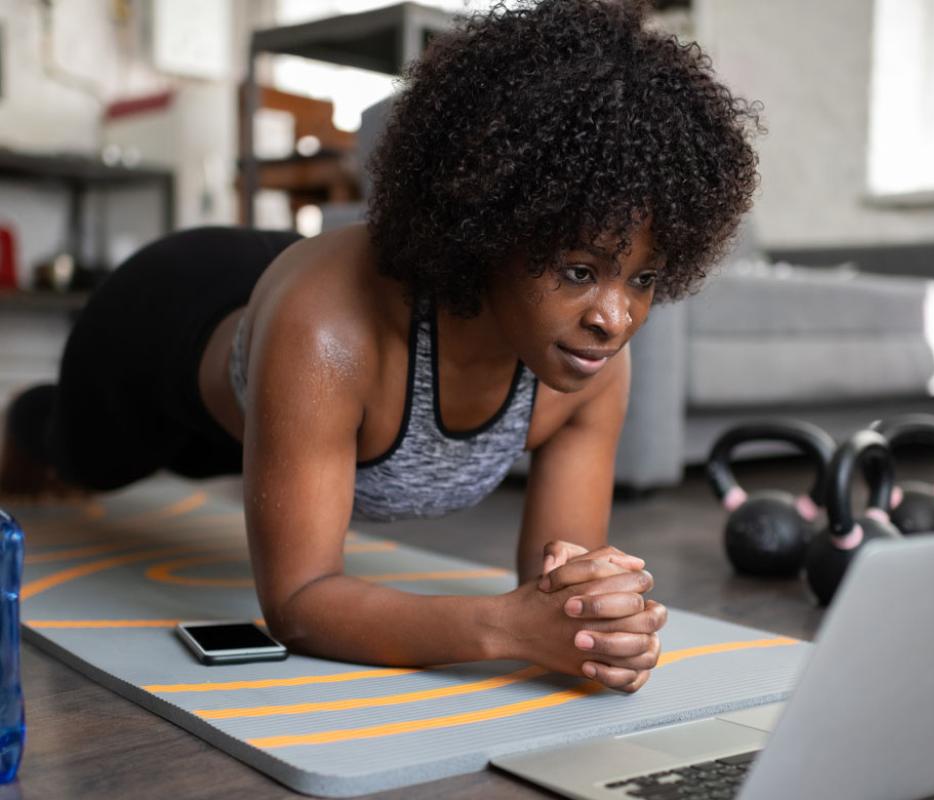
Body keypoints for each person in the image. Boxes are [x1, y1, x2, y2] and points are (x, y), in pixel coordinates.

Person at [0, 0, 760, 693]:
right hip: (160, 323)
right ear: (490, 227)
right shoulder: (330, 330)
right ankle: (23, 418)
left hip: (292, 387)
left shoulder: (592, 360)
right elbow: (299, 603)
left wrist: (598, 625)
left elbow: (559, 591)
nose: (615, 316)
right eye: (579, 270)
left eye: (644, 279)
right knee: (77, 461)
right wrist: (502, 627)